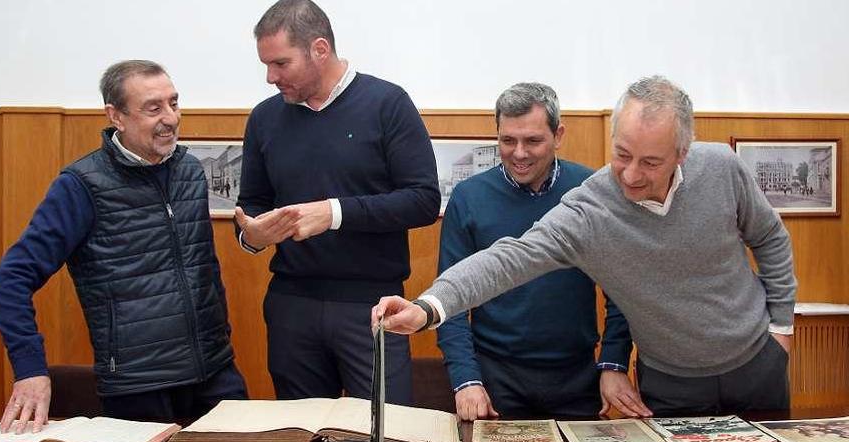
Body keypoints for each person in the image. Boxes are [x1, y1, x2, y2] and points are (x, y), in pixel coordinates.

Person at [373, 75, 796, 417]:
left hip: (755, 360)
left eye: (650, 162)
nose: (630, 175)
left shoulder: (721, 167)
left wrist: (782, 330)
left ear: (682, 153)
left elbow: (771, 239)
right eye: (622, 154)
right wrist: (428, 307)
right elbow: (509, 258)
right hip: (669, 380)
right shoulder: (590, 206)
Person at [0, 60, 247, 433]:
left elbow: (201, 265)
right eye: (153, 108)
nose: (171, 118)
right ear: (117, 116)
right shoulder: (80, 186)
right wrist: (30, 369)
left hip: (216, 374)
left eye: (174, 103)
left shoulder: (190, 170)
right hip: (139, 389)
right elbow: (10, 281)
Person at [235, 0, 439, 405]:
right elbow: (252, 204)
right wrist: (253, 236)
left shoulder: (388, 104)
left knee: (387, 437)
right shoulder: (264, 118)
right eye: (266, 65)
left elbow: (423, 200)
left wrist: (334, 213)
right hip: (291, 305)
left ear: (320, 50)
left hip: (373, 304)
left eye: (280, 64)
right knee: (302, 439)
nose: (270, 77)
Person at [436, 82, 630, 420]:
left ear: (559, 135)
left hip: (578, 377)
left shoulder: (594, 191)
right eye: (507, 141)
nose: (519, 153)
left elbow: (623, 290)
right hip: (494, 378)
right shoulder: (468, 198)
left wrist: (614, 361)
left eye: (533, 141)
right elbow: (449, 299)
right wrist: (465, 379)